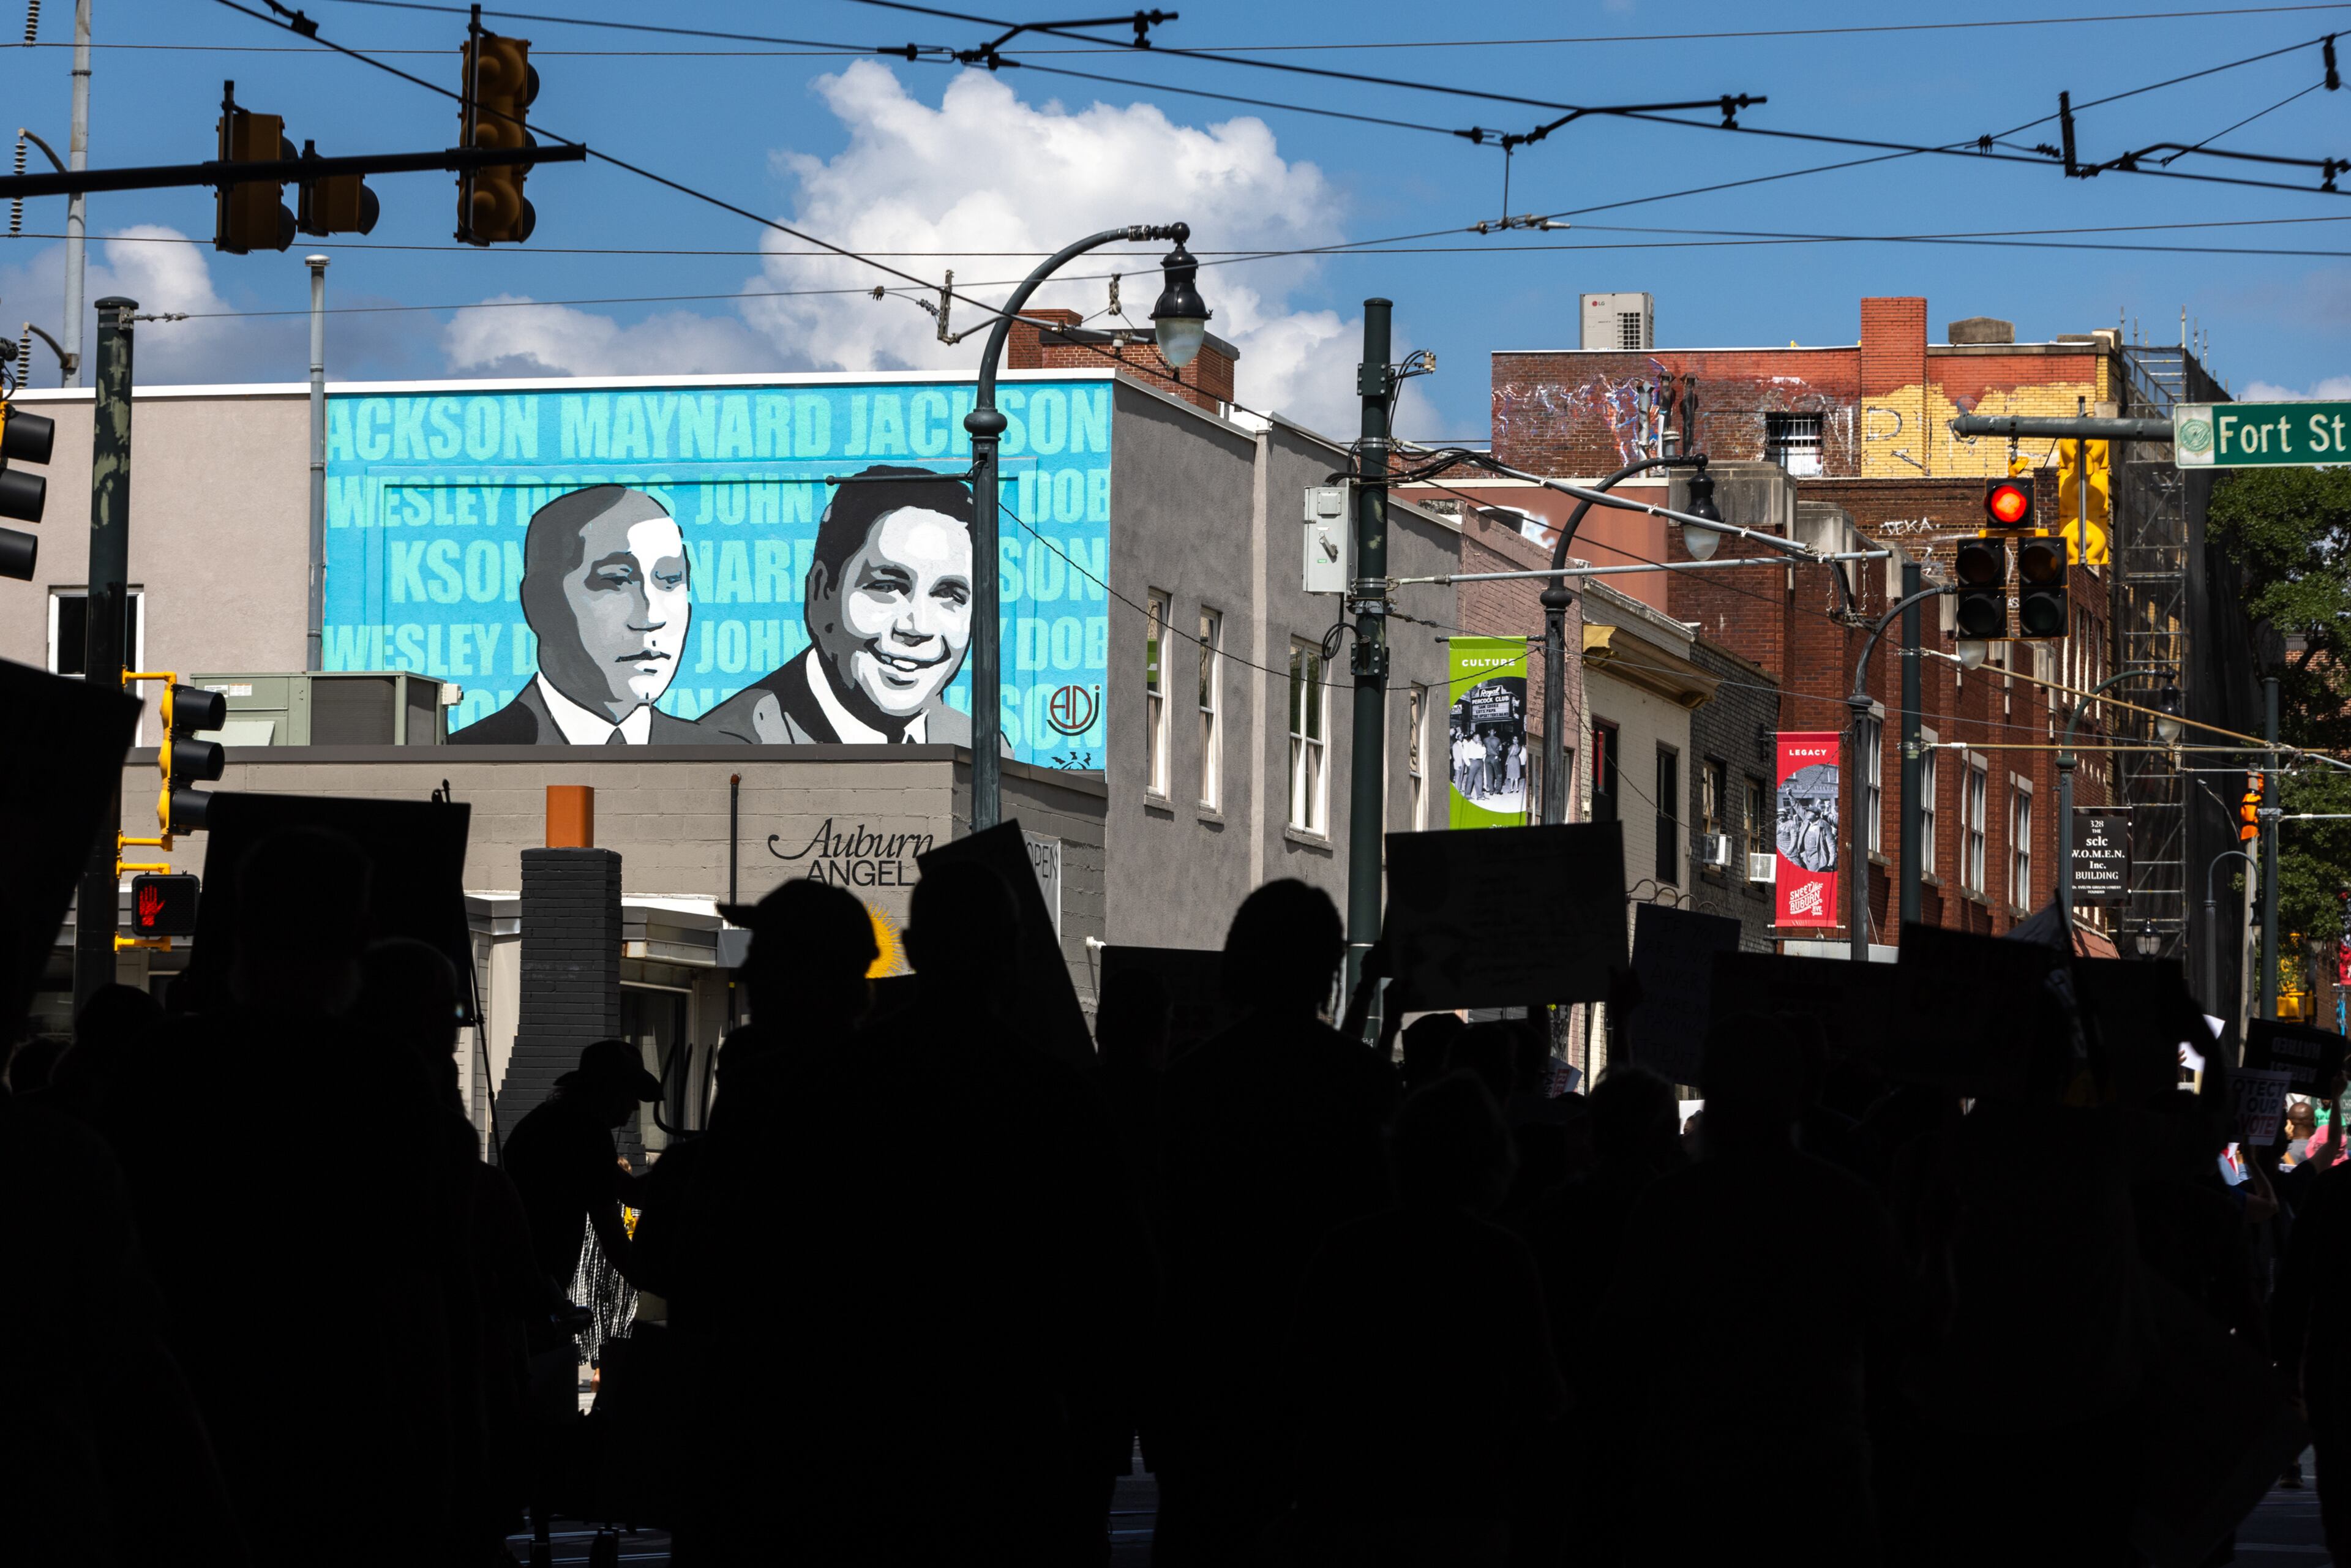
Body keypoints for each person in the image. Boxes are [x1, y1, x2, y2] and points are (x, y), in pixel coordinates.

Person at [105, 827, 472, 1566]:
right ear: (358, 934)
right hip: (341, 1423)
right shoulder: (382, 1076)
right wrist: (444, 1455)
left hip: (188, 1419)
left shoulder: (162, 1064)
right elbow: (416, 1284)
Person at [1591, 1015, 1901, 1567]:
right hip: (1817, 1485)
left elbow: (1619, 1343)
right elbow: (1903, 1336)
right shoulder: (1846, 1205)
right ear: (1801, 1094)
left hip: (1694, 1484)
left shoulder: (1669, 1208)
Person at [1153, 879, 1399, 1562]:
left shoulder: (1188, 1086)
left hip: (1207, 1371)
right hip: (1321, 1385)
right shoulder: (1362, 1085)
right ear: (1325, 969)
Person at [1289, 1074, 1565, 1566]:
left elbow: (1302, 1368)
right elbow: (1540, 1389)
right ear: (1492, 1159)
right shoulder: (1502, 1255)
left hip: (1356, 1491)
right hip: (1468, 1494)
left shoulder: (1348, 1249)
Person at [700, 466, 994, 747]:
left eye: (950, 594)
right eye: (886, 587)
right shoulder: (733, 745)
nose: (917, 626)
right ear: (821, 592)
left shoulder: (981, 750)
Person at [452, 485, 700, 745]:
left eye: (671, 580)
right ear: (540, 602)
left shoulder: (717, 754)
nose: (652, 616)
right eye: (616, 580)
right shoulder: (469, 753)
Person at [500, 1038, 660, 1322]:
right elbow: (614, 1236)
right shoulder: (587, 1135)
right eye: (630, 1095)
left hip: (519, 1280)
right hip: (530, 1290)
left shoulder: (550, 1121)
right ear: (610, 1092)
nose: (635, 1107)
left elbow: (627, 1191)